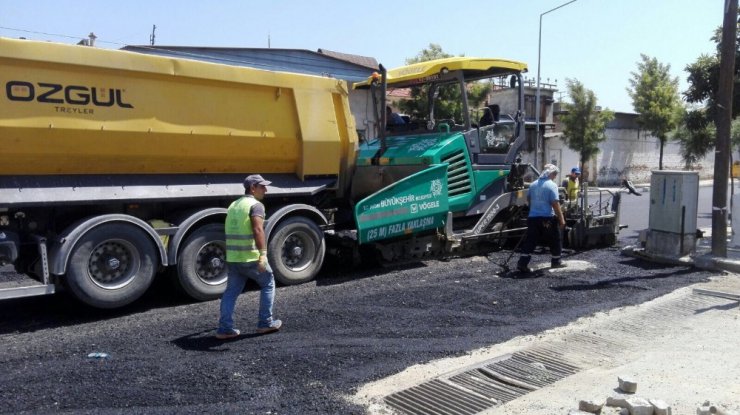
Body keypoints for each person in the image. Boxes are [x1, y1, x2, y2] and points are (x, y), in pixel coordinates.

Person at [216, 174, 282, 339]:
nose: (265, 190)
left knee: (231, 292)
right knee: (268, 283)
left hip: (233, 257)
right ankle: (265, 323)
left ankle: (224, 329)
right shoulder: (256, 205)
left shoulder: (234, 205)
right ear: (253, 188)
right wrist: (263, 255)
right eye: (262, 186)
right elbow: (258, 230)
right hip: (251, 256)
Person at [516, 164, 567, 273]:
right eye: (555, 175)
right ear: (551, 174)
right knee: (555, 239)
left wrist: (534, 211)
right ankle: (556, 261)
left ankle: (522, 263)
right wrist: (561, 219)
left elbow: (529, 200)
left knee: (530, 241)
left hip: (533, 218)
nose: (555, 177)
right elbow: (555, 204)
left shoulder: (533, 185)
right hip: (547, 218)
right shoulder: (552, 185)